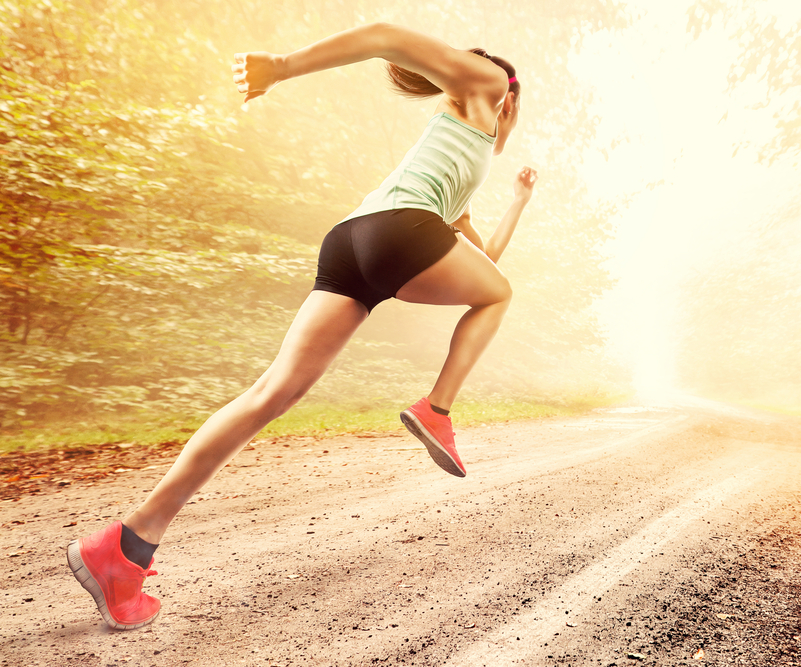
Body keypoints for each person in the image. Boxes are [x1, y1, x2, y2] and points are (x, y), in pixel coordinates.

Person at [66, 22, 537, 631]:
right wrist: (282, 67)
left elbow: (483, 263)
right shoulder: (490, 82)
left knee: (271, 393)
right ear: (507, 100)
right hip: (400, 231)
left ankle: (126, 548)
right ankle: (437, 409)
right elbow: (386, 35)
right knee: (501, 296)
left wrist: (518, 202)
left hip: (353, 241)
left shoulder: (458, 163)